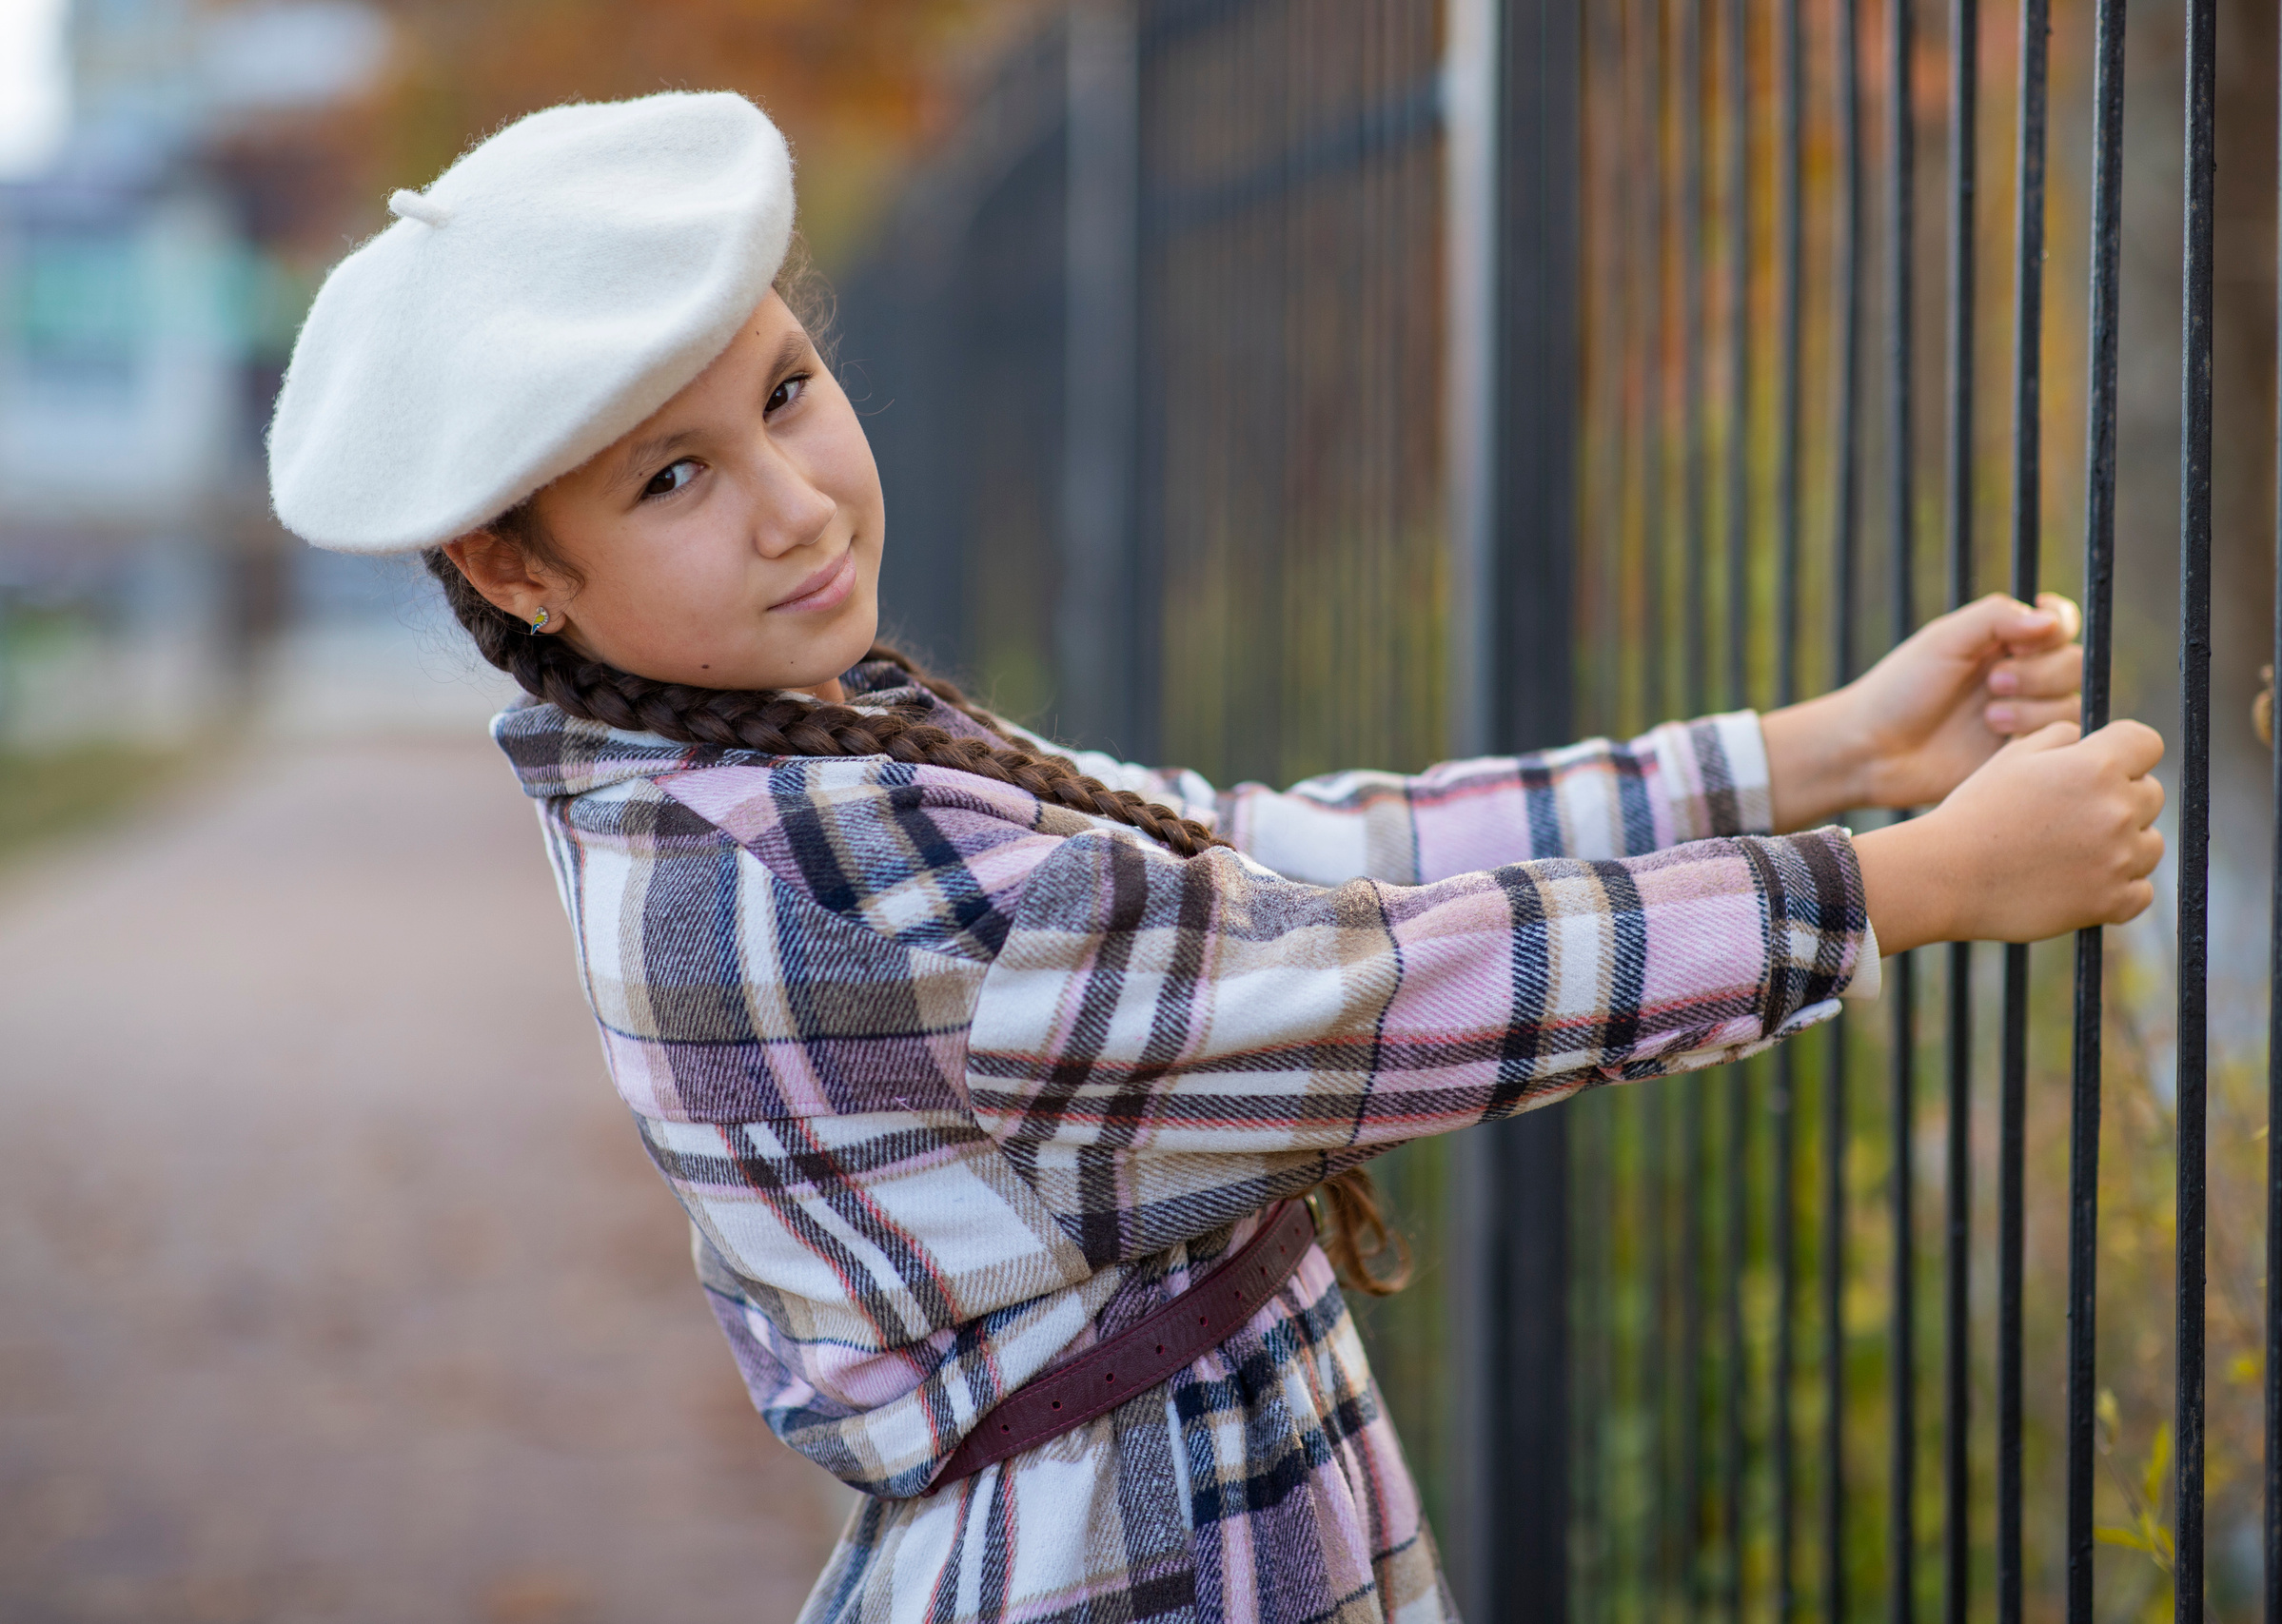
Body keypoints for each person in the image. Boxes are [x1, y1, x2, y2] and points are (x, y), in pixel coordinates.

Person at [267, 92, 2164, 1624]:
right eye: (666, 477)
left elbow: (1259, 862)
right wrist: (1902, 883)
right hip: (1143, 1564)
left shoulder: (757, 764)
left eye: (780, 391)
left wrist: (1798, 756)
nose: (791, 503)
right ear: (516, 572)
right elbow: (1357, 989)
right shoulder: (814, 877)